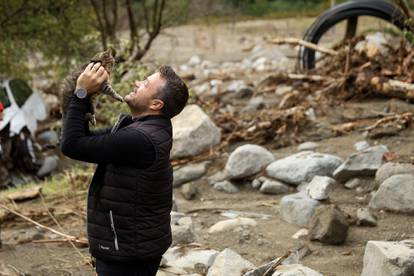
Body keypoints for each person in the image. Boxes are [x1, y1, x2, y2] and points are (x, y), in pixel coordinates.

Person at [61, 63, 189, 276]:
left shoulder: (139, 138)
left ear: (156, 104)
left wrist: (81, 93)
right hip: (132, 247)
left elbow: (72, 145)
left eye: (145, 83)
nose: (136, 82)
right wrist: (85, 98)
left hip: (128, 253)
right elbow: (83, 140)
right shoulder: (141, 128)